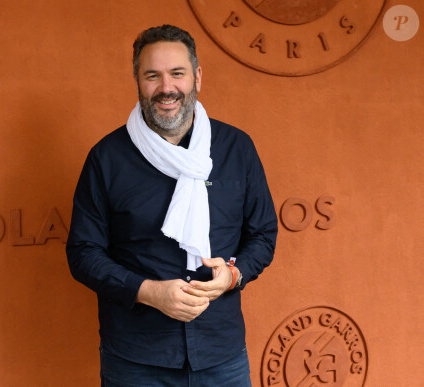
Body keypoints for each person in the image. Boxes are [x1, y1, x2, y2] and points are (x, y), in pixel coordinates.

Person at [66, 24, 277, 386]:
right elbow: (83, 252)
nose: (166, 88)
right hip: (136, 360)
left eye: (177, 73)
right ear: (138, 81)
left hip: (221, 355)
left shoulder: (236, 149)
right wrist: (149, 292)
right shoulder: (107, 159)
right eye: (153, 75)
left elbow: (262, 235)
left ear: (196, 77)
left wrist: (232, 275)